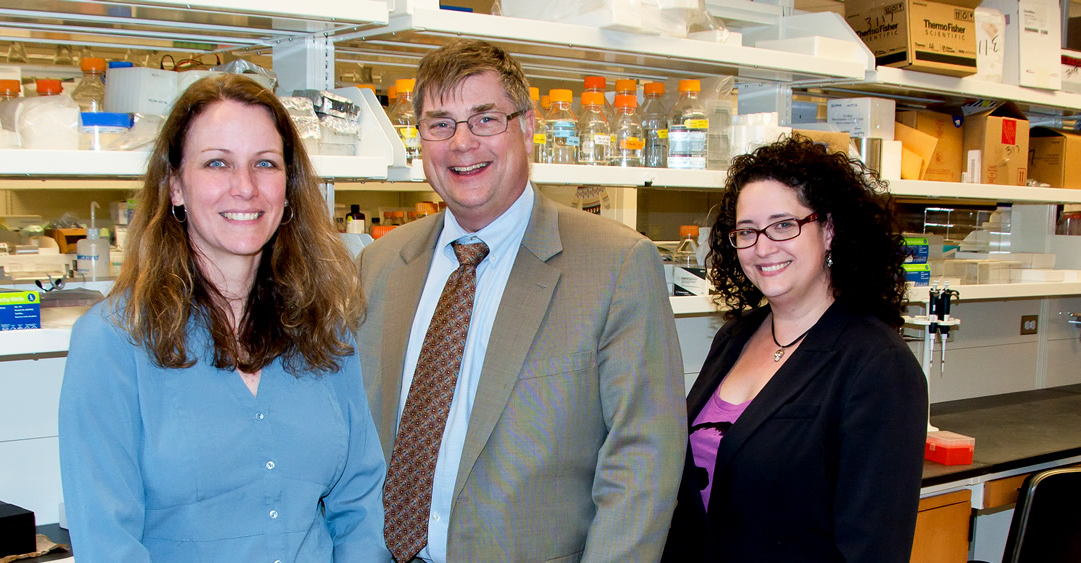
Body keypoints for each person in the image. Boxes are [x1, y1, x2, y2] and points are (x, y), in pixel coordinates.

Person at [356, 39, 686, 562]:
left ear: (528, 126)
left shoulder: (616, 264)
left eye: (485, 119)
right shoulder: (381, 265)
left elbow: (643, 460)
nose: (462, 143)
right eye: (440, 123)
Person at [58, 74, 388, 562]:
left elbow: (360, 501)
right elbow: (108, 542)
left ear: (289, 186)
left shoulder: (324, 328)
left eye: (265, 164)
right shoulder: (112, 342)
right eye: (217, 163)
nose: (246, 187)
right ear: (175, 185)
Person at [662, 136, 927, 562]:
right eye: (747, 231)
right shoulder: (735, 338)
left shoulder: (878, 365)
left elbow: (872, 548)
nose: (763, 248)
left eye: (784, 225)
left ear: (829, 230)